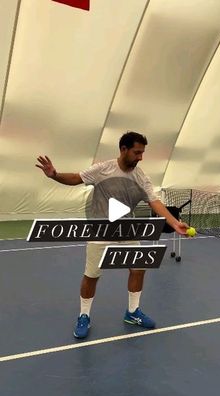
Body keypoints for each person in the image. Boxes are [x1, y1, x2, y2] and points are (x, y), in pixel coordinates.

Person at [36, 131, 188, 338]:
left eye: (142, 153)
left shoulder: (140, 176)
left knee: (138, 268)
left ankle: (132, 312)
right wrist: (54, 174)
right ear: (123, 149)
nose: (140, 157)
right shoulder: (103, 169)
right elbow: (76, 178)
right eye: (137, 152)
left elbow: (155, 202)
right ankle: (84, 315)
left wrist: (174, 222)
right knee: (92, 275)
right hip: (101, 230)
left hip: (127, 230)